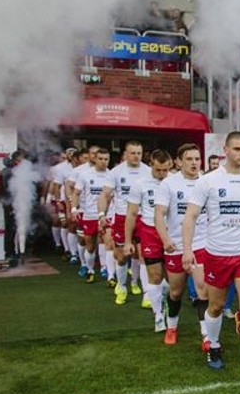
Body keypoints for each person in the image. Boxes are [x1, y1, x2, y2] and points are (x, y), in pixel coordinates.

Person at [182, 132, 240, 383]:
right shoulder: (208, 181)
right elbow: (190, 217)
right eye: (237, 149)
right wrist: (187, 250)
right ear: (226, 150)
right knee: (216, 306)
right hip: (217, 254)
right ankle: (213, 346)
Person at [155, 143, 210, 347]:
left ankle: (206, 336)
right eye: (189, 159)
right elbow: (159, 214)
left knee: (203, 290)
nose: (194, 163)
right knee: (176, 292)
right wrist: (165, 239)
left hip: (201, 243)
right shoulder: (168, 184)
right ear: (178, 162)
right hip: (176, 246)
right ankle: (172, 326)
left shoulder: (206, 182)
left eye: (197, 159)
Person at [125, 149, 172, 332]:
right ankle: (158, 315)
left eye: (165, 170)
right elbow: (131, 213)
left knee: (172, 281)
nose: (162, 174)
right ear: (151, 165)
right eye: (158, 170)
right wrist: (128, 241)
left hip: (172, 233)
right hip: (150, 232)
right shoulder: (140, 184)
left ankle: (164, 301)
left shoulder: (174, 181)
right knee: (154, 275)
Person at [101, 141, 148, 306]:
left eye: (139, 153)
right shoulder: (116, 172)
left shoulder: (148, 171)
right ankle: (121, 287)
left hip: (143, 218)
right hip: (122, 217)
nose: (136, 156)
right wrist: (102, 214)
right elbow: (105, 195)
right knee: (121, 256)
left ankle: (142, 290)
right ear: (126, 154)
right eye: (133, 153)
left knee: (142, 255)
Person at [71, 147, 112, 284]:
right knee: (90, 246)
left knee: (107, 243)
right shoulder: (85, 174)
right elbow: (76, 193)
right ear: (94, 159)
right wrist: (73, 209)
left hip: (106, 216)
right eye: (100, 158)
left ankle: (107, 271)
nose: (103, 162)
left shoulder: (112, 175)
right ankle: (90, 269)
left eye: (106, 159)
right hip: (89, 215)